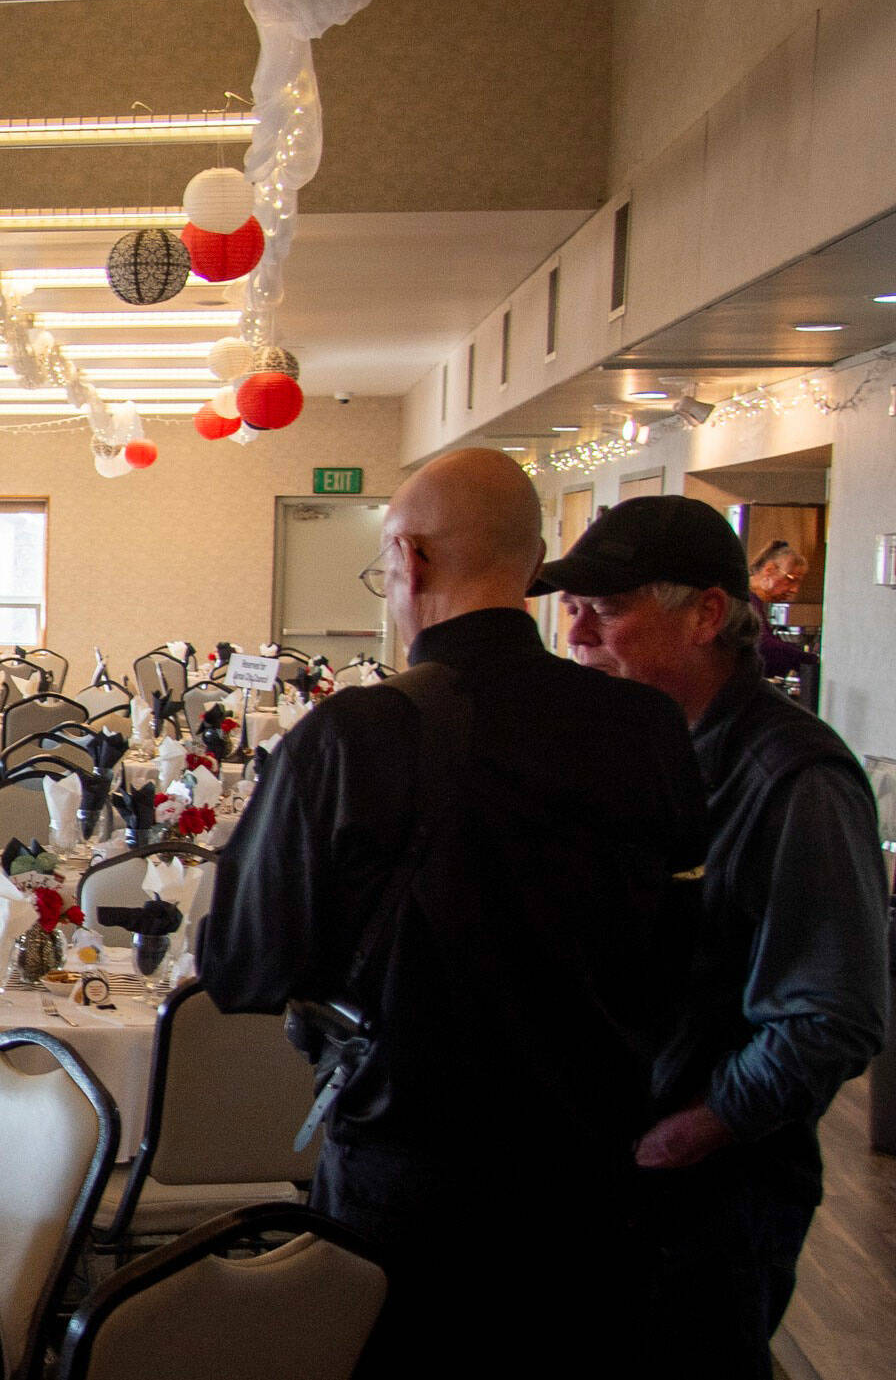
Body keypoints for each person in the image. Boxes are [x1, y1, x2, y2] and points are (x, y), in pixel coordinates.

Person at [201, 449, 709, 1376]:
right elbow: (682, 944)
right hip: (597, 1186)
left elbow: (241, 964)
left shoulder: (353, 735)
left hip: (414, 1189)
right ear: (534, 561)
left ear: (410, 558)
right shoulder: (648, 729)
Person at [535, 496, 887, 1378]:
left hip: (710, 1195)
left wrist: (692, 1131)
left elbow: (830, 1016)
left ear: (704, 614)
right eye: (569, 607)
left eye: (606, 609)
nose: (576, 635)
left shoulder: (795, 777)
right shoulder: (634, 748)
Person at [747, 537, 818, 680]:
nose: (794, 590)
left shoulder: (756, 602)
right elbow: (763, 645)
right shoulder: (743, 599)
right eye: (791, 580)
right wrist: (810, 660)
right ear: (769, 570)